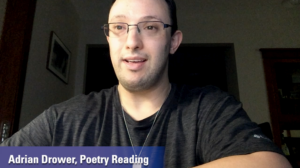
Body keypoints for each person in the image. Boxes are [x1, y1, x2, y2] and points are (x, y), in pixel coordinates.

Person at [0, 0, 292, 167]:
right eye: (119, 27)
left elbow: (273, 164)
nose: (132, 42)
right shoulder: (62, 120)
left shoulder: (209, 109)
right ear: (109, 38)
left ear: (173, 42)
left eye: (150, 27)